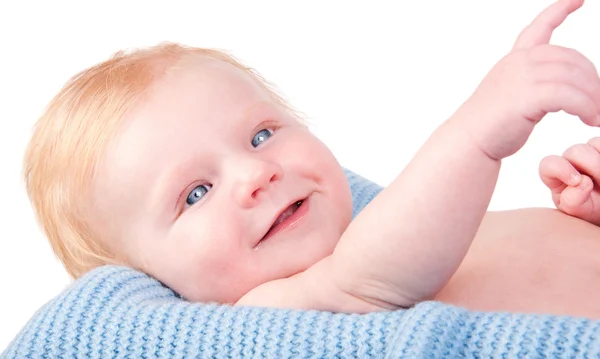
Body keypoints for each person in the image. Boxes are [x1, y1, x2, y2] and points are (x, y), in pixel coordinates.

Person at [23, 0, 600, 318]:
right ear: (152, 281)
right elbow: (378, 272)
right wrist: (478, 130)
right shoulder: (274, 309)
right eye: (195, 193)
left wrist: (580, 215)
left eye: (261, 135)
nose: (256, 173)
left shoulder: (385, 220)